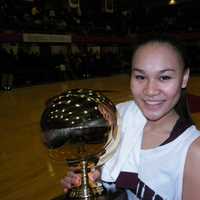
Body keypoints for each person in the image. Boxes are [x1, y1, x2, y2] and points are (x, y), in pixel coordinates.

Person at [61, 35, 200, 200]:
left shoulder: (193, 153)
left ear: (184, 78)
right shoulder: (117, 120)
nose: (150, 90)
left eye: (164, 77)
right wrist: (88, 182)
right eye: (140, 77)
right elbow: (99, 178)